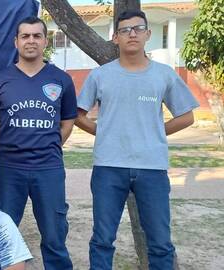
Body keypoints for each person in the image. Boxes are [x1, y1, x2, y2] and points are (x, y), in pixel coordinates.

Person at [75, 10, 198, 269]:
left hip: (152, 168)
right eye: (124, 30)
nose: (132, 34)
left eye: (138, 29)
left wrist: (153, 130)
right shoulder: (100, 75)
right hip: (108, 166)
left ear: (148, 34)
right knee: (102, 240)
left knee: (161, 243)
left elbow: (186, 117)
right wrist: (105, 132)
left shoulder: (164, 74)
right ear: (115, 38)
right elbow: (78, 116)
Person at [0, 16, 77, 269]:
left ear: (45, 41)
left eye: (37, 35)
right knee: (2, 230)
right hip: (9, 167)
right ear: (16, 42)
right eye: (25, 36)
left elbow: (68, 122)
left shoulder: (61, 79)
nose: (31, 41)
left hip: (48, 167)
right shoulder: (0, 79)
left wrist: (49, 144)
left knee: (55, 234)